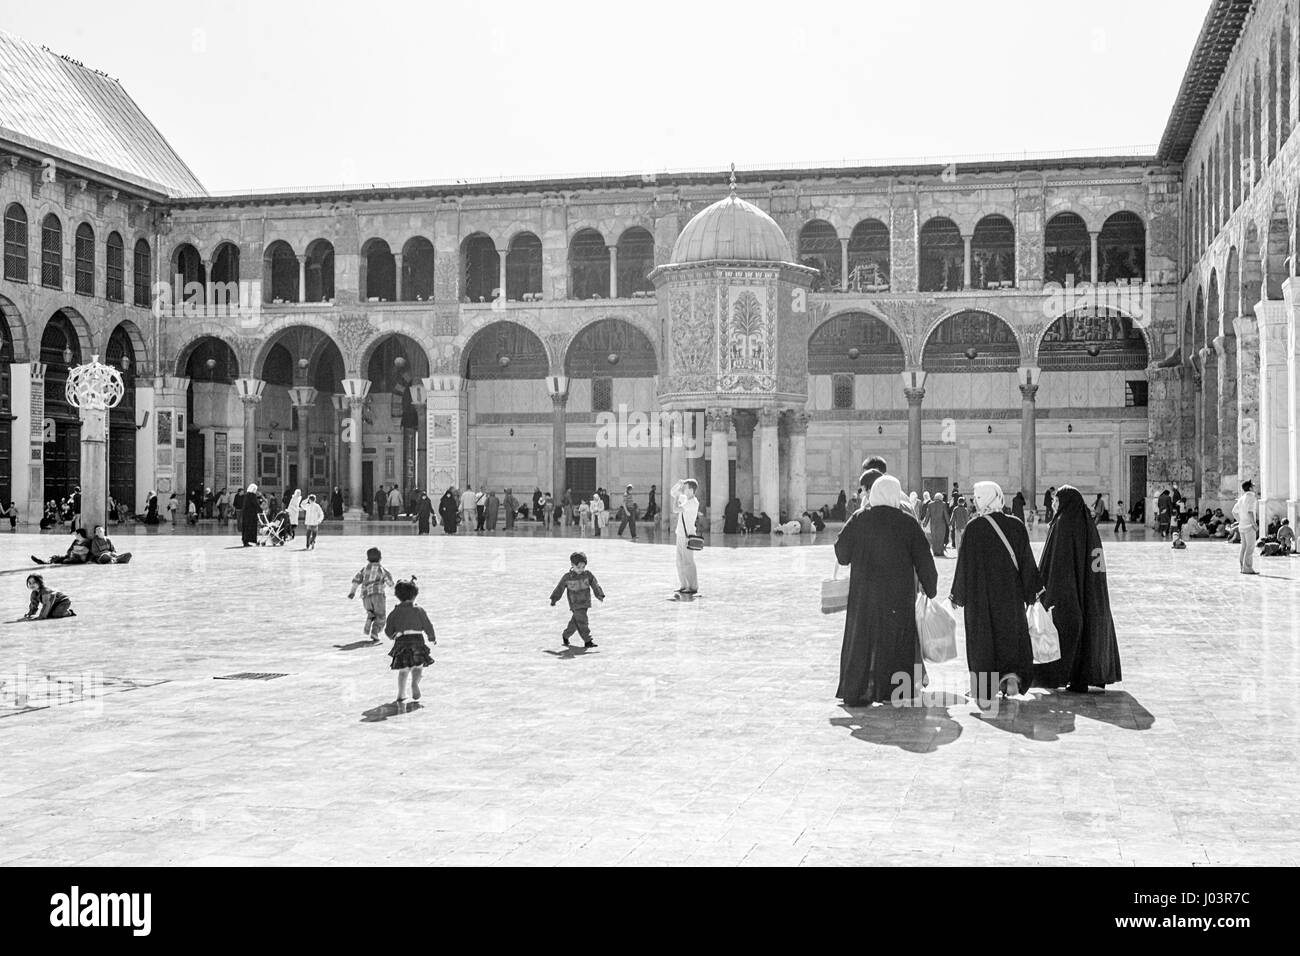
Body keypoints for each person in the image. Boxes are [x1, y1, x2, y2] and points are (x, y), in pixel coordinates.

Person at [834, 474, 938, 707]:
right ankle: (894, 691)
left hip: (864, 597)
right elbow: (924, 559)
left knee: (862, 640)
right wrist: (930, 588)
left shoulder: (859, 518)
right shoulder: (907, 522)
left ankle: (858, 691)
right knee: (896, 641)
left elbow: (841, 553)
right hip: (897, 597)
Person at [950, 482, 1044, 704]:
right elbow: (1026, 563)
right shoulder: (1016, 526)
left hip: (981, 599)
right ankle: (1011, 678)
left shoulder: (974, 528)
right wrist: (1034, 592)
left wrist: (957, 595)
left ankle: (984, 687)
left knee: (983, 639)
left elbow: (964, 565)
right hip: (1010, 596)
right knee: (1010, 635)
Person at [1032, 485, 1123, 693]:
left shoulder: (1064, 524)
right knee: (1089, 628)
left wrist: (1043, 589)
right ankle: (1084, 676)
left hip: (1067, 590)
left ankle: (1068, 675)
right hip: (1092, 591)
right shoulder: (1087, 524)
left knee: (1067, 632)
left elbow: (1056, 563)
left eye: (1056, 501)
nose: (1054, 505)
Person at [384, 577, 436, 709]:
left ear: (397, 596)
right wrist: (431, 637)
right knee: (418, 666)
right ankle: (415, 683)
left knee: (403, 670)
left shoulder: (395, 612)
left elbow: (388, 629)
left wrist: (392, 636)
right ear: (414, 595)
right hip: (417, 640)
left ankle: (401, 694)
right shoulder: (419, 610)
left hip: (402, 641)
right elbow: (427, 625)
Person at [550, 550, 606, 648]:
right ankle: (588, 640)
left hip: (585, 603)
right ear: (572, 564)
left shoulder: (588, 575)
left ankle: (566, 635)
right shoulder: (568, 577)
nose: (581, 569)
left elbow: (595, 584)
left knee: (576, 622)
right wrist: (554, 598)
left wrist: (599, 595)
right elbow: (560, 588)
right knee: (583, 621)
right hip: (575, 604)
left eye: (583, 567)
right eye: (578, 567)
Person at [348, 546, 395, 644]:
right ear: (380, 558)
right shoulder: (382, 570)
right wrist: (396, 591)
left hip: (365, 596)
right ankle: (375, 631)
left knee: (371, 611)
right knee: (381, 616)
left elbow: (356, 580)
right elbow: (389, 582)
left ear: (367, 559)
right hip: (378, 595)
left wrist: (352, 592)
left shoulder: (364, 570)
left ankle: (370, 615)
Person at [670, 479, 700, 597]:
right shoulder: (686, 499)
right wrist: (679, 484)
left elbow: (675, 509)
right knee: (679, 561)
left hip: (687, 536)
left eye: (686, 488)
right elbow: (673, 492)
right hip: (681, 534)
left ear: (691, 490)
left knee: (688, 562)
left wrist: (677, 498)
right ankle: (684, 585)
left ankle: (692, 586)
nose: (684, 490)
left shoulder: (693, 502)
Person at [1233, 480, 1260, 574]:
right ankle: (1247, 568)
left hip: (1242, 526)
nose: (1254, 486)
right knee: (1250, 547)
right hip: (1249, 526)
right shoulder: (1252, 498)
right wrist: (1254, 525)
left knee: (1244, 547)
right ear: (1250, 488)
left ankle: (1242, 567)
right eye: (1253, 485)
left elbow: (1234, 512)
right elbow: (1250, 512)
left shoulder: (1241, 498)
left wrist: (1240, 521)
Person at [924, 492, 949, 557]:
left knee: (934, 538)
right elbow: (946, 514)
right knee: (941, 538)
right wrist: (949, 523)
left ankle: (935, 552)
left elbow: (927, 515)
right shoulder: (943, 504)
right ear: (941, 498)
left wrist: (925, 524)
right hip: (941, 524)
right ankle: (940, 552)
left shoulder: (930, 504)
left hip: (933, 524)